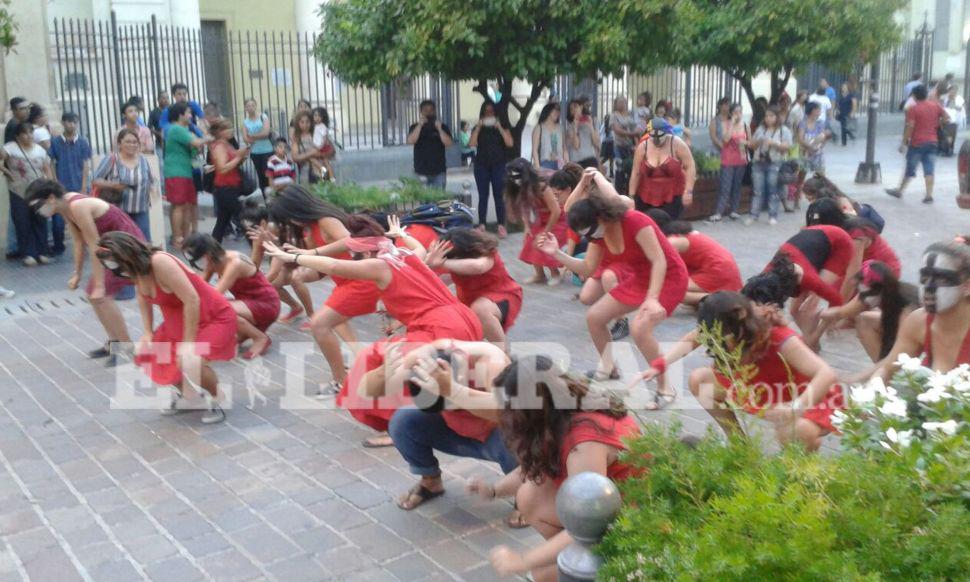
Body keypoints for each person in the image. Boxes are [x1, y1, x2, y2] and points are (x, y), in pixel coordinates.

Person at [261, 216, 483, 443]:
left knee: (378, 361)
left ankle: (397, 426)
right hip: (463, 319)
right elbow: (419, 248)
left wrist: (294, 257)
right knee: (401, 361)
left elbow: (335, 265)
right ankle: (433, 412)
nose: (355, 263)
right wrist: (400, 235)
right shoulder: (403, 254)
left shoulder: (379, 264)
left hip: (441, 327)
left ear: (366, 254)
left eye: (355, 258)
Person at [479, 355, 641, 581]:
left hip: (635, 521)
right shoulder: (563, 409)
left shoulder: (583, 446)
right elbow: (531, 468)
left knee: (543, 573)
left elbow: (590, 522)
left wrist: (522, 561)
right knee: (529, 495)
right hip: (610, 504)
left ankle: (600, 565)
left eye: (509, 406)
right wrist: (494, 490)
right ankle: (573, 556)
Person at [544, 169, 688, 407]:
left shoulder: (635, 221)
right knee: (595, 317)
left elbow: (659, 261)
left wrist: (652, 300)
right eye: (586, 235)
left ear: (602, 216)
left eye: (590, 231)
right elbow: (589, 269)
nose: (590, 237)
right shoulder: (597, 235)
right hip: (640, 277)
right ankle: (609, 367)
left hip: (668, 277)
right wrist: (557, 254)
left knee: (641, 329)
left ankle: (666, 388)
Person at [636, 292, 844, 451]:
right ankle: (739, 445)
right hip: (760, 388)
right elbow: (692, 339)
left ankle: (800, 474)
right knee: (700, 380)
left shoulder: (777, 337)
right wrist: (660, 365)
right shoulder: (728, 326)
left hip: (809, 397)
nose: (716, 339)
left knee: (798, 431)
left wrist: (795, 407)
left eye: (721, 334)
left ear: (739, 322)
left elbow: (826, 374)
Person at [98, 232, 234, 424]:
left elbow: (192, 299)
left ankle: (218, 397)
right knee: (147, 355)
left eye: (114, 263)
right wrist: (147, 332)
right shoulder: (134, 269)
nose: (115, 270)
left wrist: (187, 344)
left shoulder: (160, 262)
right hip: (176, 323)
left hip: (212, 316)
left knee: (190, 360)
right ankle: (190, 398)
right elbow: (142, 296)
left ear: (126, 255)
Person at [268, 185, 378, 396]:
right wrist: (303, 272)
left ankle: (341, 380)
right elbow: (324, 267)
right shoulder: (312, 227)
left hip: (362, 280)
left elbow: (351, 242)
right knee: (333, 319)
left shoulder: (325, 220)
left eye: (289, 218)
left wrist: (312, 252)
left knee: (320, 324)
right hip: (348, 281)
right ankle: (361, 359)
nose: (290, 223)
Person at [386, 341, 518, 511]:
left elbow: (506, 415)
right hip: (455, 430)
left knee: (518, 435)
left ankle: (525, 494)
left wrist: (454, 392)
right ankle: (430, 481)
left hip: (497, 435)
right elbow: (378, 385)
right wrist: (384, 373)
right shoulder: (421, 358)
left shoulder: (492, 362)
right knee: (402, 421)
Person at [26, 179, 144, 366]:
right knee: (93, 295)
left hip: (126, 247)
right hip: (111, 249)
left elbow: (94, 246)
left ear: (50, 198)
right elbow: (79, 242)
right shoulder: (65, 207)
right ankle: (114, 343)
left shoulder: (77, 206)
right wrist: (77, 273)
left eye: (38, 206)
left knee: (102, 295)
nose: (38, 211)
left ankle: (127, 348)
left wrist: (99, 285)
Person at [876, 242, 970, 379]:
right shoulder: (918, 321)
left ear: (967, 287)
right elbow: (887, 370)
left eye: (941, 279)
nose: (928, 287)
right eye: (924, 277)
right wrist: (872, 391)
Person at [182, 233, 279, 360]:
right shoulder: (213, 262)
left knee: (219, 308)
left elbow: (215, 296)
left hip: (267, 304)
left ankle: (260, 338)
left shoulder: (234, 263)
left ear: (207, 254)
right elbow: (199, 288)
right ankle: (246, 333)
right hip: (246, 304)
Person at [424, 227, 523, 349]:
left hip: (502, 296)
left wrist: (441, 263)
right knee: (446, 317)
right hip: (468, 302)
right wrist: (427, 265)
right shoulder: (455, 261)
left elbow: (478, 267)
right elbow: (438, 282)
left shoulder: (486, 253)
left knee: (480, 308)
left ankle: (503, 352)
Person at [816, 260, 919, 365]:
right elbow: (842, 312)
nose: (864, 301)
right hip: (899, 325)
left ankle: (885, 371)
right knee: (863, 319)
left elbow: (903, 348)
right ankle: (880, 365)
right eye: (861, 295)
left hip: (918, 334)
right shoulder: (872, 292)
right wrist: (819, 314)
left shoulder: (905, 308)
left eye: (866, 296)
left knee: (894, 354)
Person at [647, 210, 742, 306]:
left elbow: (661, 266)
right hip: (723, 267)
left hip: (718, 269)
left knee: (671, 290)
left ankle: (716, 299)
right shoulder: (684, 234)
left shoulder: (672, 242)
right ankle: (713, 298)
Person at [504, 158, 566, 285]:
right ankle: (540, 274)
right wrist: (527, 227)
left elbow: (556, 212)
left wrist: (545, 232)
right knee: (530, 240)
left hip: (558, 220)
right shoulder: (520, 188)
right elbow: (524, 208)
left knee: (543, 241)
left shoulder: (542, 186)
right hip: (542, 219)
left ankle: (555, 274)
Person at [1, 121, 54, 266]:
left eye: (30, 132)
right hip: (18, 191)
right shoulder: (10, 148)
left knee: (40, 220)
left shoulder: (39, 150)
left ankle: (42, 252)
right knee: (22, 222)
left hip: (38, 191)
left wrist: (50, 185)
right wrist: (8, 174)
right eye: (24, 133)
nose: (28, 136)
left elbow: (46, 168)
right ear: (18, 136)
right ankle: (28, 254)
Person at [886, 84, 949, 204]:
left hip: (917, 142)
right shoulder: (936, 105)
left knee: (910, 168)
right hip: (933, 142)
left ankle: (900, 190)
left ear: (914, 96)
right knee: (929, 169)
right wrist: (938, 123)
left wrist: (904, 142)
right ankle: (929, 195)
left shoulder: (913, 109)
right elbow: (947, 118)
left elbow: (910, 126)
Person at [91, 129, 156, 240]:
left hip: (141, 210)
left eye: (135, 142)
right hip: (119, 212)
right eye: (128, 142)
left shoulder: (143, 160)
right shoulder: (112, 159)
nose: (132, 145)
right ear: (120, 143)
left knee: (144, 243)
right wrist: (114, 185)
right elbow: (95, 180)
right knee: (123, 244)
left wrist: (153, 191)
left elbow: (151, 179)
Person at [163, 102, 211, 249]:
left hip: (184, 171)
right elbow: (197, 142)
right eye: (189, 113)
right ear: (180, 115)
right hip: (177, 172)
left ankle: (184, 236)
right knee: (179, 205)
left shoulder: (183, 130)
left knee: (184, 205)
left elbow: (194, 151)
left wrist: (203, 164)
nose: (191, 116)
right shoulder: (176, 129)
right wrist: (208, 136)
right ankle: (178, 237)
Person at [628, 117, 695, 219]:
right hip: (647, 196)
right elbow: (636, 172)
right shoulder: (643, 147)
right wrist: (631, 196)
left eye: (660, 136)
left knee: (669, 228)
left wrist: (688, 191)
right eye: (653, 136)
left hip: (672, 196)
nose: (656, 140)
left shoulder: (677, 144)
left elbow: (690, 166)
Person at [48, 112, 93, 255]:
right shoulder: (55, 142)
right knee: (58, 219)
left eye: (74, 122)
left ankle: (85, 243)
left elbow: (86, 165)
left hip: (78, 184)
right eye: (68, 122)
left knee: (81, 216)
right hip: (61, 186)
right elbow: (51, 163)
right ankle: (58, 246)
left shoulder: (83, 142)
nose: (71, 125)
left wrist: (84, 186)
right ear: (63, 123)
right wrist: (54, 182)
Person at [469, 101, 513, 238]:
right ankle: (482, 224)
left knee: (499, 196)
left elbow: (510, 143)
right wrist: (478, 127)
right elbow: (471, 143)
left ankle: (501, 225)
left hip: (499, 164)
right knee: (483, 195)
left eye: (491, 111)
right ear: (482, 113)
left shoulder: (503, 125)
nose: (489, 114)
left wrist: (499, 126)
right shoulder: (478, 127)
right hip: (481, 165)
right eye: (486, 111)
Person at [746, 105, 792, 225]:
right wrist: (758, 141)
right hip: (758, 162)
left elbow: (787, 146)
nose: (768, 118)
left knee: (773, 190)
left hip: (774, 162)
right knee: (757, 190)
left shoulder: (784, 130)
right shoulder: (761, 129)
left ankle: (773, 215)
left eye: (771, 116)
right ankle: (754, 215)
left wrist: (774, 143)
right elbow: (751, 145)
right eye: (766, 116)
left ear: (777, 117)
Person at [207, 119, 249, 243]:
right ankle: (257, 246)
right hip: (225, 188)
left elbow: (233, 162)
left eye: (231, 128)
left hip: (230, 186)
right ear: (220, 132)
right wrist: (239, 157)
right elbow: (222, 168)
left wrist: (241, 157)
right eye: (227, 128)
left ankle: (213, 248)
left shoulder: (227, 144)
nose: (231, 131)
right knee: (244, 217)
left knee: (222, 221)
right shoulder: (219, 146)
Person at [709, 103, 749, 222]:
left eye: (740, 112)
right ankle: (719, 212)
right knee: (725, 187)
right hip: (728, 159)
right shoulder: (725, 124)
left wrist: (744, 143)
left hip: (741, 159)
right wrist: (732, 123)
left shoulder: (745, 125)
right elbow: (725, 139)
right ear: (731, 114)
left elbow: (751, 142)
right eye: (735, 112)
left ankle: (734, 210)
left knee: (737, 186)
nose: (738, 114)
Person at [406, 100, 453, 189]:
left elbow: (449, 143)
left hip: (439, 171)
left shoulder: (442, 127)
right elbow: (410, 141)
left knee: (439, 200)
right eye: (425, 110)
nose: (429, 113)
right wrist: (419, 125)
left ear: (435, 111)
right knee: (423, 201)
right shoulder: (414, 126)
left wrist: (439, 129)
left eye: (431, 110)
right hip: (420, 171)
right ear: (421, 112)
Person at [241, 98, 273, 191]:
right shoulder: (245, 121)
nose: (250, 108)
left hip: (267, 151)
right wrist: (258, 135)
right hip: (255, 152)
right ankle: (265, 199)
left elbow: (266, 133)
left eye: (252, 105)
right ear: (245, 108)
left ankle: (273, 197)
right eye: (248, 106)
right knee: (261, 176)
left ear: (255, 106)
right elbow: (246, 139)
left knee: (268, 175)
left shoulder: (263, 117)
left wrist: (252, 135)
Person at [609, 97, 638, 191]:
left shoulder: (630, 115)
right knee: (620, 168)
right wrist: (631, 133)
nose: (622, 104)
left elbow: (636, 130)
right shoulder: (614, 115)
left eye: (624, 102)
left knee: (631, 168)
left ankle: (629, 190)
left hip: (630, 146)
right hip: (619, 146)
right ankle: (619, 191)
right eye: (619, 102)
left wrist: (637, 143)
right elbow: (617, 130)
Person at [797, 102, 832, 177]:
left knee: (821, 175)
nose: (820, 112)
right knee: (802, 175)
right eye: (818, 110)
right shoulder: (803, 123)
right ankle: (799, 188)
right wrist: (810, 147)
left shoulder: (820, 123)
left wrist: (819, 146)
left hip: (817, 153)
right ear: (813, 110)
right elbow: (800, 139)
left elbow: (823, 138)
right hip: (805, 153)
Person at [565, 98, 600, 169]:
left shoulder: (593, 120)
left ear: (581, 107)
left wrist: (591, 127)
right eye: (571, 109)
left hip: (590, 158)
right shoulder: (570, 125)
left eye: (575, 106)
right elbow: (576, 145)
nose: (574, 110)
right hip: (576, 160)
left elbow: (596, 143)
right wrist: (575, 127)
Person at [531, 102, 567, 171]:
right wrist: (538, 167)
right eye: (555, 110)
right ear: (548, 111)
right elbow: (534, 150)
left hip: (560, 164)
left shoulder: (560, 128)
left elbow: (564, 148)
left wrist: (567, 164)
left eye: (558, 111)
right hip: (545, 163)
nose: (557, 113)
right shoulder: (539, 128)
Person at [290, 110, 323, 184]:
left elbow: (323, 152)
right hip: (305, 170)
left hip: (320, 168)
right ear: (298, 123)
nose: (305, 125)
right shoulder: (296, 137)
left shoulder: (317, 134)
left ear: (311, 122)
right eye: (302, 122)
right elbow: (295, 157)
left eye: (307, 122)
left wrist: (305, 156)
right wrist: (311, 155)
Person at [311, 106, 336, 181]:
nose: (317, 118)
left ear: (323, 117)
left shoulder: (323, 127)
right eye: (315, 115)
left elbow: (325, 139)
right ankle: (323, 176)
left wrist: (320, 147)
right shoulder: (315, 126)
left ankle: (332, 178)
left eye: (319, 116)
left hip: (322, 147)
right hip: (316, 146)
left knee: (326, 162)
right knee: (318, 162)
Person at [939, 85, 964, 155]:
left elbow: (960, 108)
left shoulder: (959, 99)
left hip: (954, 118)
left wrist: (954, 106)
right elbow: (940, 106)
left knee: (952, 135)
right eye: (951, 90)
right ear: (948, 90)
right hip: (945, 117)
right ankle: (946, 149)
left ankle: (950, 149)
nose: (952, 92)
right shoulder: (944, 98)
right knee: (946, 134)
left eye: (954, 90)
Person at [148, 91, 169, 155]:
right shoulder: (154, 112)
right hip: (159, 144)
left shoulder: (172, 110)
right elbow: (149, 128)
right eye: (163, 98)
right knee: (161, 163)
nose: (166, 100)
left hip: (172, 142)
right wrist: (159, 134)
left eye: (167, 98)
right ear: (158, 100)